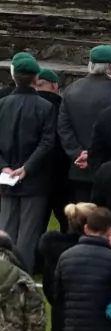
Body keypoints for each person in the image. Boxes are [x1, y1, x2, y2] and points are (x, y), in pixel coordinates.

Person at [0, 55, 58, 271]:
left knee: (5, 226)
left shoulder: (2, 104)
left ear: (14, 77)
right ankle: (21, 274)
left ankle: (3, 271)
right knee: (28, 233)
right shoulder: (45, 107)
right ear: (36, 78)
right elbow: (47, 142)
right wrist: (27, 167)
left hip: (6, 176)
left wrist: (4, 166)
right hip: (34, 177)